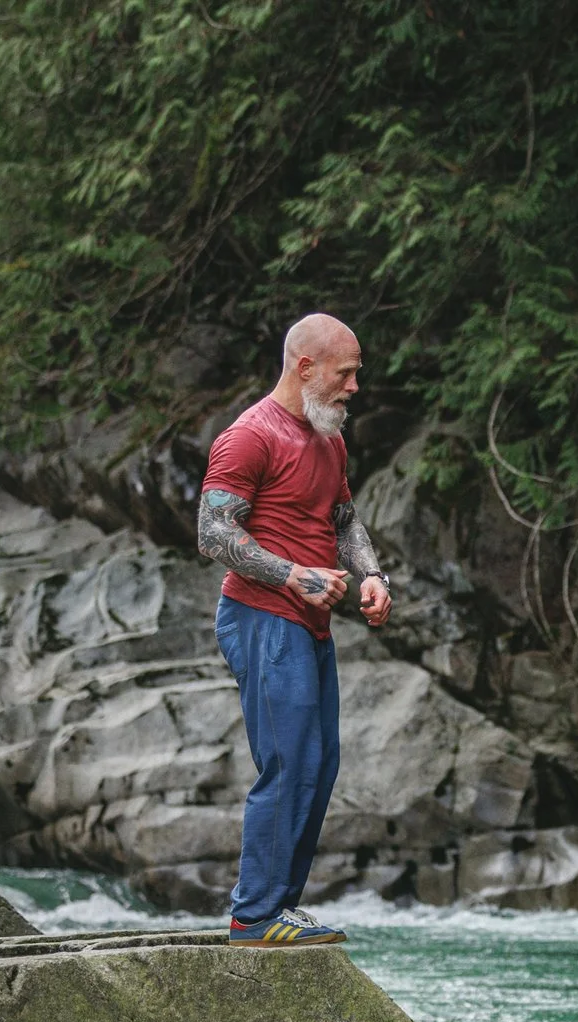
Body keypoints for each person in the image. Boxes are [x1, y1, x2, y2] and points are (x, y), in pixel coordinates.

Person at [197, 312, 391, 947]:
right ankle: (253, 916)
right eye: (346, 373)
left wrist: (370, 575)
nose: (354, 386)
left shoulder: (329, 438)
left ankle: (279, 906)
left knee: (320, 764)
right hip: (261, 617)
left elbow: (343, 521)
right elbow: (213, 532)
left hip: (307, 625)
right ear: (305, 367)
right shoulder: (250, 436)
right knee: (289, 762)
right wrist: (292, 576)